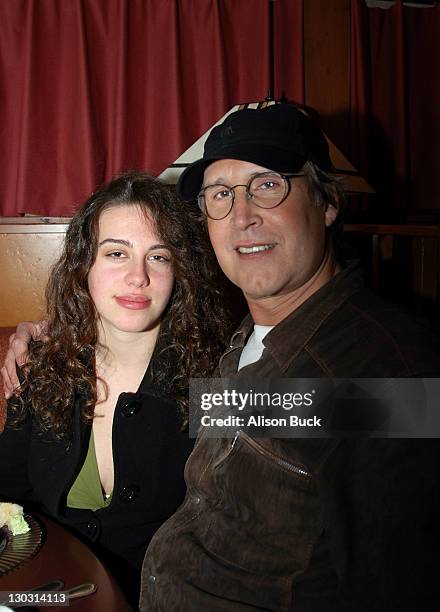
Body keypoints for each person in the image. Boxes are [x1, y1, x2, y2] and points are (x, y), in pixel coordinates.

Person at [3, 106, 440, 611]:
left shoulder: (383, 371)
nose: (243, 215)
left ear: (327, 202)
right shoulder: (247, 351)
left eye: (268, 185)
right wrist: (53, 341)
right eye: (221, 194)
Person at [0, 172, 229, 607]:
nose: (137, 276)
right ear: (84, 265)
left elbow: (379, 411)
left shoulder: (216, 382)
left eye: (158, 257)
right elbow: (7, 491)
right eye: (116, 253)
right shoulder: (40, 369)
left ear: (179, 272)